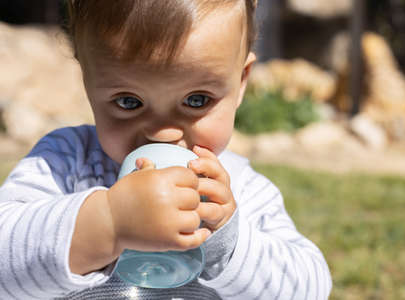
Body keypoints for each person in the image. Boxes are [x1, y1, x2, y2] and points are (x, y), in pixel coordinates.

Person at [0, 0, 332, 299]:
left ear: (241, 82)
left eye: (196, 100)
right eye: (128, 102)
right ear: (88, 81)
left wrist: (227, 245)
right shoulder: (66, 162)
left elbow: (311, 288)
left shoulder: (242, 191)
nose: (163, 133)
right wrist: (107, 223)